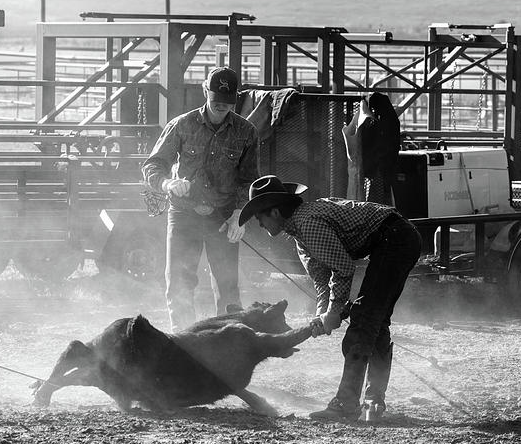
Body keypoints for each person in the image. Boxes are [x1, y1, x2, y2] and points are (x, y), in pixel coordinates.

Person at [238, 175, 422, 421]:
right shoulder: (300, 233)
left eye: (259, 217)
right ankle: (373, 402)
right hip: (395, 238)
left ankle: (347, 404)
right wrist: (321, 315)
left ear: (273, 212)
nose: (259, 224)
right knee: (373, 319)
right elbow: (322, 282)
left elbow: (343, 268)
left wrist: (334, 312)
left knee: (364, 319)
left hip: (395, 238)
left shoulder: (308, 225)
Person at [141, 67, 259, 330]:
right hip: (184, 215)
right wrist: (167, 182)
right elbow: (153, 166)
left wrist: (240, 216)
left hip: (224, 217)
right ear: (205, 91)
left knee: (228, 288)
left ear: (236, 99)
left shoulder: (246, 132)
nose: (221, 107)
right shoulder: (182, 125)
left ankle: (227, 347)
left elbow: (249, 179)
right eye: (216, 100)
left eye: (228, 104)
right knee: (179, 284)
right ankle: (184, 344)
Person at [359, 92, 401, 205]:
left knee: (376, 198)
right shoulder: (391, 120)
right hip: (388, 166)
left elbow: (372, 141)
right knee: (385, 195)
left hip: (379, 167)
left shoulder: (380, 124)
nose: (374, 111)